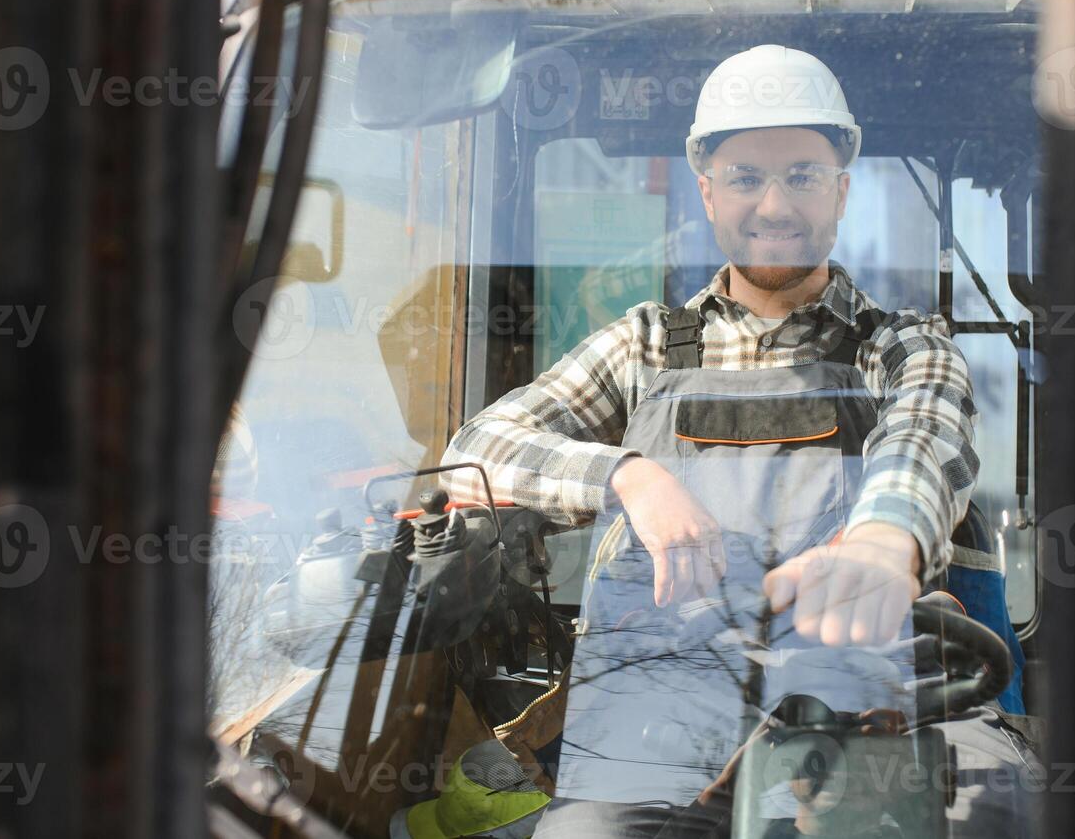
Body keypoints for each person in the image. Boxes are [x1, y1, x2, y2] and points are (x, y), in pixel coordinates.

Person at [440, 45, 1037, 838]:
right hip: (665, 697)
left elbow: (924, 437)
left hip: (880, 690)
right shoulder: (646, 346)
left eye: (800, 175)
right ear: (707, 193)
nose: (774, 205)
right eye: (746, 178)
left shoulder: (900, 345)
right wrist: (629, 475)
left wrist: (880, 544)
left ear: (840, 190)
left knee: (996, 813)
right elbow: (476, 451)